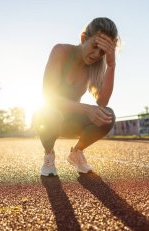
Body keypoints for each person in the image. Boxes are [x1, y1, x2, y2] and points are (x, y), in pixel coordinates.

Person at [33, 17, 119, 176]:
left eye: (102, 52)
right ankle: (49, 154)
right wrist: (86, 110)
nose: (96, 55)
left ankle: (76, 153)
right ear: (83, 38)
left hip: (71, 122)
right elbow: (48, 97)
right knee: (47, 112)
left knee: (108, 115)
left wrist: (112, 65)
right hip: (50, 120)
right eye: (95, 47)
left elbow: (102, 101)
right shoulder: (61, 51)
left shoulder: (95, 66)